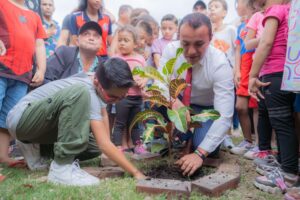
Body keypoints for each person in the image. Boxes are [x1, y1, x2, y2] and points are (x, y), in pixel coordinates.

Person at [7, 58, 146, 186]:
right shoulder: (86, 89)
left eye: (122, 97)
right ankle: (61, 169)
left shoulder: (98, 82)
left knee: (93, 146)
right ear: (97, 82)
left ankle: (36, 146)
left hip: (38, 126)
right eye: (112, 97)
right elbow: (105, 144)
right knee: (80, 93)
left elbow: (103, 117)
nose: (116, 101)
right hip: (22, 119)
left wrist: (107, 150)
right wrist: (135, 172)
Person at [159, 13, 234, 176]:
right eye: (185, 43)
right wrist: (174, 102)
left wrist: (200, 153)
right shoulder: (171, 51)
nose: (191, 52)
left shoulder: (219, 63)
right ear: (178, 37)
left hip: (208, 109)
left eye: (199, 44)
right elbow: (160, 83)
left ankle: (196, 142)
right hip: (179, 101)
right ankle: (181, 140)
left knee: (207, 148)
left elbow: (224, 115)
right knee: (158, 102)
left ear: (210, 38)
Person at [248, 0, 297, 193]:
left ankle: (289, 175)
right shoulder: (289, 10)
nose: (260, 7)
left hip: (274, 73)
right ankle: (286, 166)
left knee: (282, 125)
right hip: (286, 74)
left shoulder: (276, 10)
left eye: (260, 4)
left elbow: (266, 42)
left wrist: (253, 75)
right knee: (285, 124)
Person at [0, 0, 46, 167]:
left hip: (22, 75)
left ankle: (3, 155)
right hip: (1, 67)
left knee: (9, 117)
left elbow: (39, 43)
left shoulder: (34, 16)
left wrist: (41, 69)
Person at [112, 25, 148, 154]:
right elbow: (114, 77)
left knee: (135, 124)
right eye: (120, 40)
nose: (122, 43)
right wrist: (130, 81)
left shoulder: (140, 59)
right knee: (120, 123)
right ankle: (117, 147)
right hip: (123, 98)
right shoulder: (116, 59)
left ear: (135, 43)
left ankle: (138, 146)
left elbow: (146, 75)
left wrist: (143, 81)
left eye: (126, 40)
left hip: (137, 98)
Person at [230, 0, 259, 160]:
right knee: (241, 107)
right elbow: (237, 50)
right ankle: (247, 141)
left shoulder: (261, 19)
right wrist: (237, 69)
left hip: (256, 67)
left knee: (256, 108)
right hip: (244, 69)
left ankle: (260, 145)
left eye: (239, 2)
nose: (237, 5)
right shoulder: (241, 27)